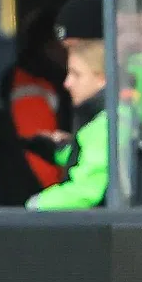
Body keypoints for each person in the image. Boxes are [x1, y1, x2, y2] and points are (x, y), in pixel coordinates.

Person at [0, 8, 70, 206]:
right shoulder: (30, 85)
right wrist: (65, 198)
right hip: (28, 205)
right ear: (48, 45)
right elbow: (38, 154)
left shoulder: (41, 80)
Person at [24, 39, 110, 209]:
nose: (67, 83)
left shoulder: (104, 126)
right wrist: (61, 150)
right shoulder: (103, 119)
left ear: (102, 80)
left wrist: (36, 204)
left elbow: (87, 190)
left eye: (76, 74)